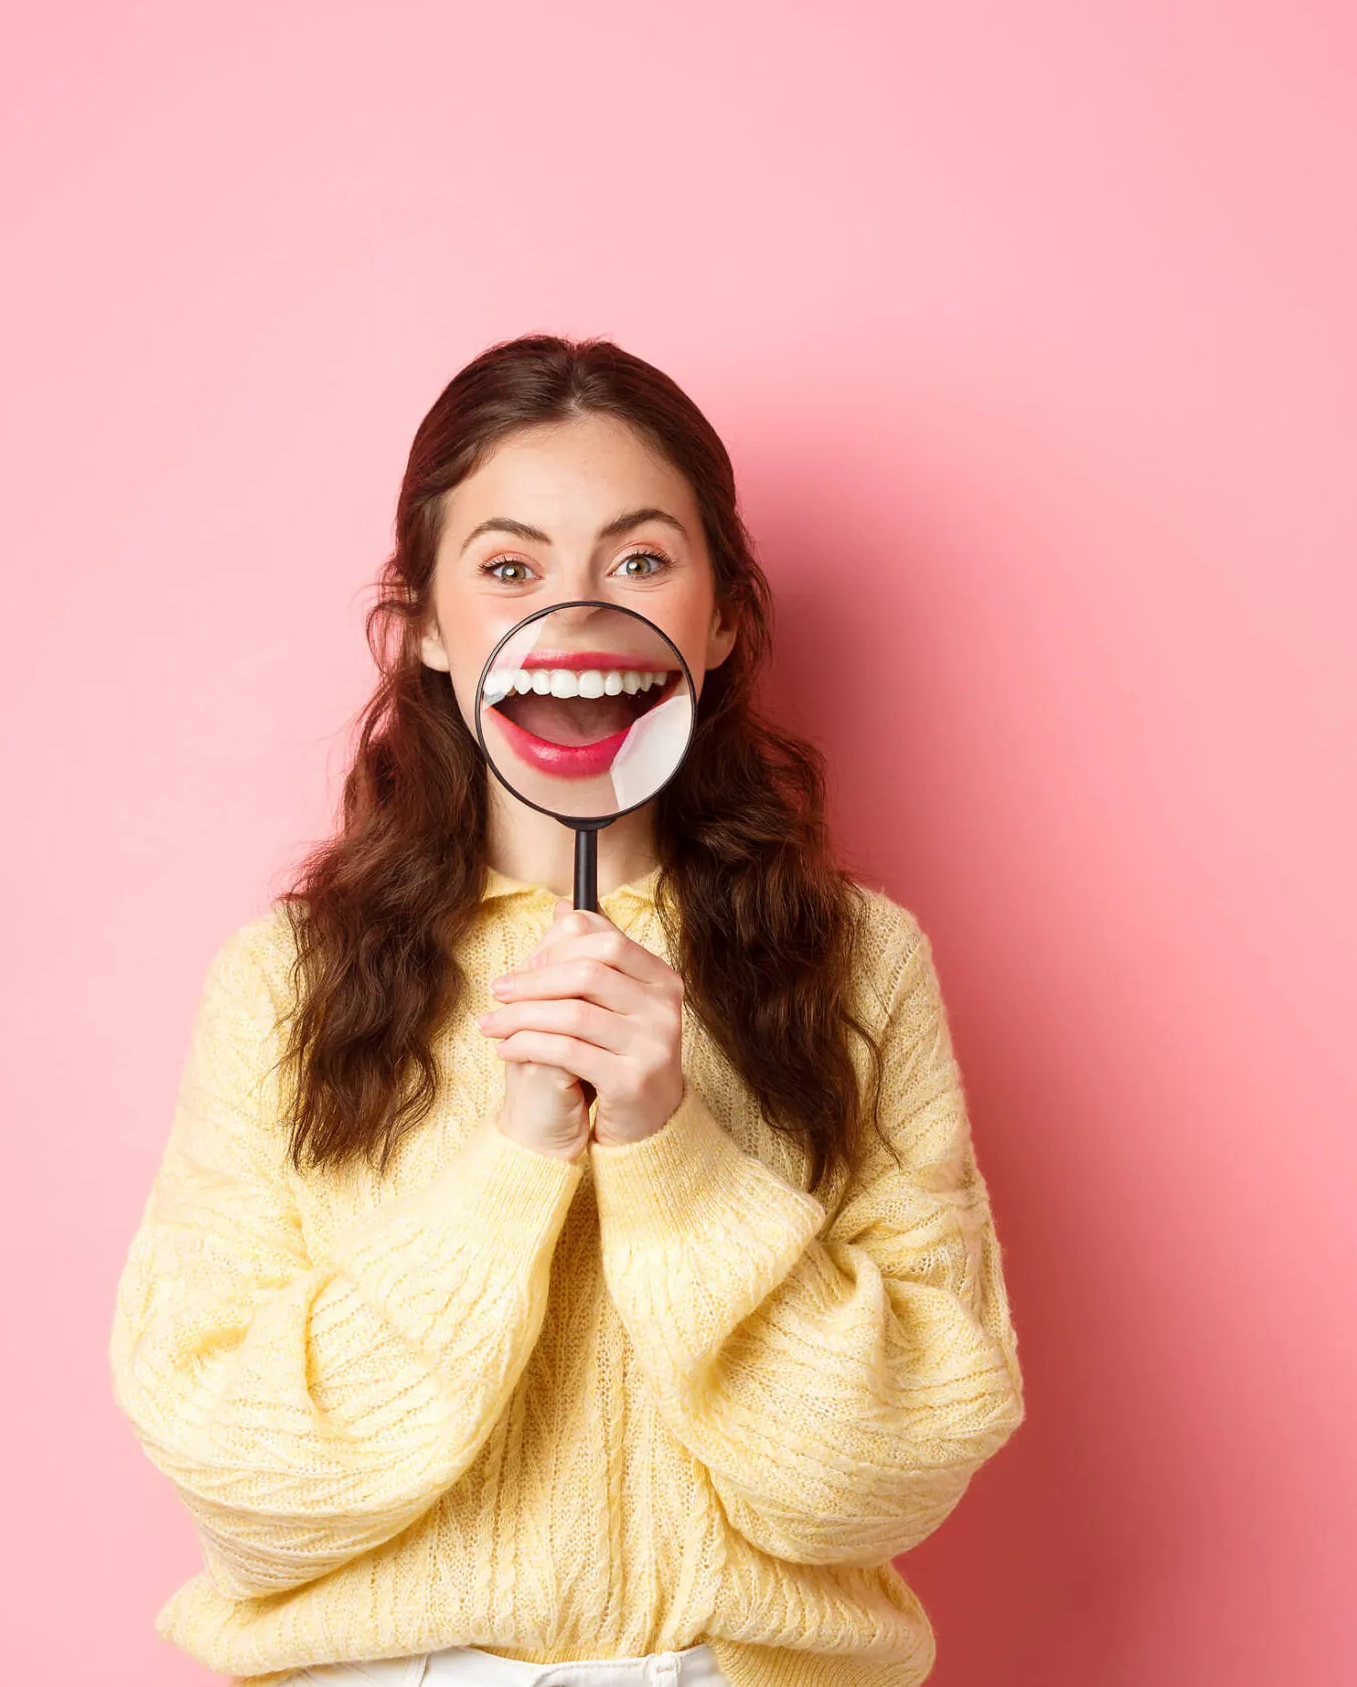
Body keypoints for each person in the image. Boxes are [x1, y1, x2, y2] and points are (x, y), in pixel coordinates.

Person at [108, 334, 1026, 1687]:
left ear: (719, 619)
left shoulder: (857, 966)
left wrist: (677, 1150)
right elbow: (239, 1475)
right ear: (422, 619)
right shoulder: (284, 985)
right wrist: (513, 1159)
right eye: (510, 566)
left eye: (641, 560)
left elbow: (888, 1474)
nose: (580, 610)